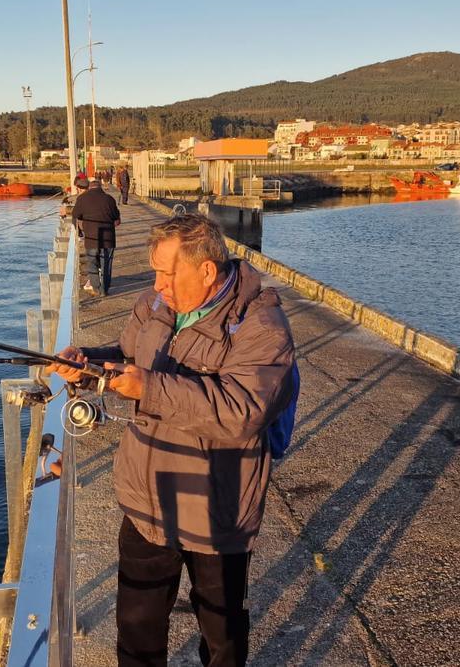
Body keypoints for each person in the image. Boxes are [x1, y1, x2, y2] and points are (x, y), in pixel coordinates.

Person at [47, 214, 296, 667]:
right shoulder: (157, 303)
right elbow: (125, 355)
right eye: (155, 271)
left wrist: (149, 387)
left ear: (206, 271)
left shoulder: (262, 324)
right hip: (147, 501)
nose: (156, 283)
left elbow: (243, 411)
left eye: (166, 272)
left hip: (218, 513)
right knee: (136, 631)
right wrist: (86, 366)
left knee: (222, 635)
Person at [71, 177, 120, 296]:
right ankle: (105, 289)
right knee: (106, 264)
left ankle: (97, 288)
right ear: (101, 188)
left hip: (91, 238)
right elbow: (116, 219)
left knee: (92, 263)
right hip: (108, 238)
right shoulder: (110, 199)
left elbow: (75, 214)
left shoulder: (82, 198)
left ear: (89, 188)